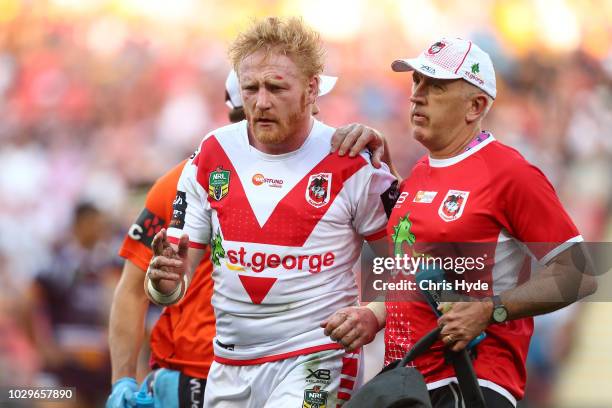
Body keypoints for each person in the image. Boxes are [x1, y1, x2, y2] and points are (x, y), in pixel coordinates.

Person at [323, 37, 596, 407]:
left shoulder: (511, 173)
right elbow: (420, 278)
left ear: (476, 106)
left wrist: (490, 310)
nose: (417, 96)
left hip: (472, 382)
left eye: (435, 86)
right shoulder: (419, 173)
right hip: (406, 379)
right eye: (416, 82)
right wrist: (373, 315)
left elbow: (579, 272)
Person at [145, 17, 397, 407]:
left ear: (312, 88)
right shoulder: (212, 154)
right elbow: (174, 283)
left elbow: (405, 264)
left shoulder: (349, 160)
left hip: (317, 357)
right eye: (251, 88)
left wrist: (375, 314)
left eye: (276, 88)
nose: (261, 101)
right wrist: (162, 280)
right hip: (229, 362)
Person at [24, 202, 119, 408]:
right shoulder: (56, 263)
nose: (98, 230)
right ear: (79, 225)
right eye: (94, 224)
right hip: (64, 361)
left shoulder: (109, 263)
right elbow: (29, 303)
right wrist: (43, 346)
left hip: (101, 363)